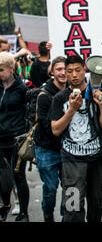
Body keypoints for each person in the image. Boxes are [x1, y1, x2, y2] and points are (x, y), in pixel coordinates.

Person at [49, 55, 102, 222]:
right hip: (72, 161)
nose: (74, 75)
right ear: (66, 75)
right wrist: (71, 110)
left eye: (78, 70)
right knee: (73, 208)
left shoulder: (98, 93)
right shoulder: (60, 98)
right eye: (70, 71)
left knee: (98, 203)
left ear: (85, 71)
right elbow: (55, 130)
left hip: (97, 159)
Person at [34, 56, 68, 222]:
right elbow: (49, 129)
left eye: (65, 69)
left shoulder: (73, 92)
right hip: (47, 149)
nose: (63, 73)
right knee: (51, 188)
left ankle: (67, 217)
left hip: (68, 149)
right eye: (59, 69)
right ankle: (48, 215)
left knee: (70, 188)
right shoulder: (44, 96)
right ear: (52, 73)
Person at [0, 51, 30, 222]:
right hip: (0, 138)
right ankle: (5, 206)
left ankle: (24, 213)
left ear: (11, 69)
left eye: (1, 70)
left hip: (17, 138)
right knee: (2, 176)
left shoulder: (21, 88)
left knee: (18, 175)